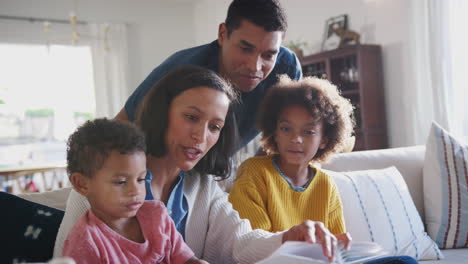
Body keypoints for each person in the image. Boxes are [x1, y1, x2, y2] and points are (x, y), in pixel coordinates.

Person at [55, 65, 339, 264]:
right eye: (191, 117)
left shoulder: (202, 187)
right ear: (162, 112)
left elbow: (240, 244)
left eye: (215, 126)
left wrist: (289, 237)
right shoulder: (100, 183)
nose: (201, 137)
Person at [228, 76, 418, 264]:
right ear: (274, 132)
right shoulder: (253, 172)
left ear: (324, 140)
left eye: (308, 131)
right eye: (286, 129)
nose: (296, 139)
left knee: (404, 262)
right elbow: (254, 246)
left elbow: (335, 246)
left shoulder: (326, 185)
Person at [115, 0, 302, 149]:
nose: (255, 67)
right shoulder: (178, 71)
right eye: (245, 49)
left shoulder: (286, 69)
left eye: (269, 55)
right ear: (222, 34)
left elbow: (290, 136)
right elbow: (121, 127)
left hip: (219, 167)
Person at [62, 118, 206, 264]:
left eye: (141, 179)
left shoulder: (157, 216)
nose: (135, 191)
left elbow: (186, 259)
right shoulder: (85, 243)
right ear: (82, 184)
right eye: (121, 182)